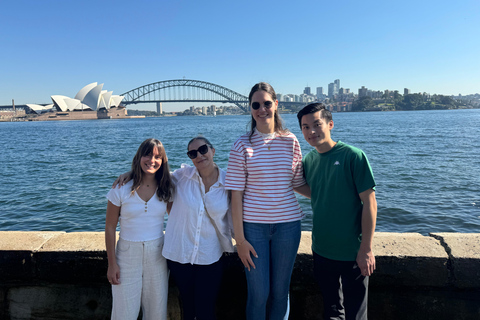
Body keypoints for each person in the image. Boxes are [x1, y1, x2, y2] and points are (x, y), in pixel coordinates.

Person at [225, 82, 310, 320]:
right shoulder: (241, 144)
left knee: (281, 292)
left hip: (288, 226)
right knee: (259, 293)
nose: (261, 109)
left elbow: (297, 183)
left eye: (266, 103)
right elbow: (236, 195)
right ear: (250, 108)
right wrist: (239, 240)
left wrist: (332, 195)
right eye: (256, 104)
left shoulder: (291, 140)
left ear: (276, 104)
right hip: (253, 230)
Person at [296, 103, 377, 320]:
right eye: (305, 127)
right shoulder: (309, 160)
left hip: (353, 250)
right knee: (332, 311)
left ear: (330, 124)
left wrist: (366, 249)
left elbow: (370, 203)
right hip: (322, 249)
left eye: (317, 124)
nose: (311, 131)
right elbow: (315, 190)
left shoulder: (353, 156)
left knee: (356, 314)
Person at [162, 136, 234, 320]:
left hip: (210, 256)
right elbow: (153, 176)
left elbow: (236, 215)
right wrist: (128, 175)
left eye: (203, 150)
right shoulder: (181, 176)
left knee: (206, 309)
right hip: (180, 254)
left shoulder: (228, 182)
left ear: (213, 150)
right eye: (193, 153)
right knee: (187, 306)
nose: (199, 156)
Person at [105, 138, 174, 320]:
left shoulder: (167, 187)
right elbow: (110, 227)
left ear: (163, 161)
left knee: (157, 311)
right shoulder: (121, 188)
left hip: (158, 254)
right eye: (147, 154)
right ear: (139, 156)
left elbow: (176, 218)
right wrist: (112, 265)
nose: (152, 160)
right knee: (123, 312)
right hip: (126, 255)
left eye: (157, 157)